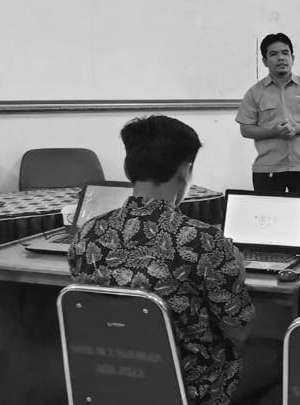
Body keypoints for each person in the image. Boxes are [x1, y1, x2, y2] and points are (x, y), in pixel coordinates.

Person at [69, 115, 266, 405]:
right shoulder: (202, 239)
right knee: (279, 356)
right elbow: (240, 330)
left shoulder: (87, 234)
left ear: (129, 167)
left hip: (109, 377)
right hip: (193, 387)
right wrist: (237, 273)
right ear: (185, 170)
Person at [237, 33, 300, 194]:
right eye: (274, 54)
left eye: (285, 53)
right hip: (267, 169)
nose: (281, 58)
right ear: (265, 61)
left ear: (292, 58)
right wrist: (274, 132)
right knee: (268, 210)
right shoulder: (255, 92)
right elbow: (246, 129)